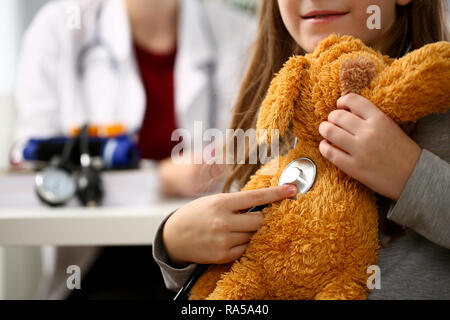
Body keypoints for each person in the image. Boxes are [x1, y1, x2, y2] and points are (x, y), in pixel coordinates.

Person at [153, 0, 450, 299]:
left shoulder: (442, 111)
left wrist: (411, 176)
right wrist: (175, 244)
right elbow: (250, 266)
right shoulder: (278, 111)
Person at [14, 0, 256, 299]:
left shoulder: (241, 32)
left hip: (212, 261)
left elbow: (262, 151)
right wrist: (160, 179)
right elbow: (35, 176)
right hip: (97, 260)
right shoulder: (58, 29)